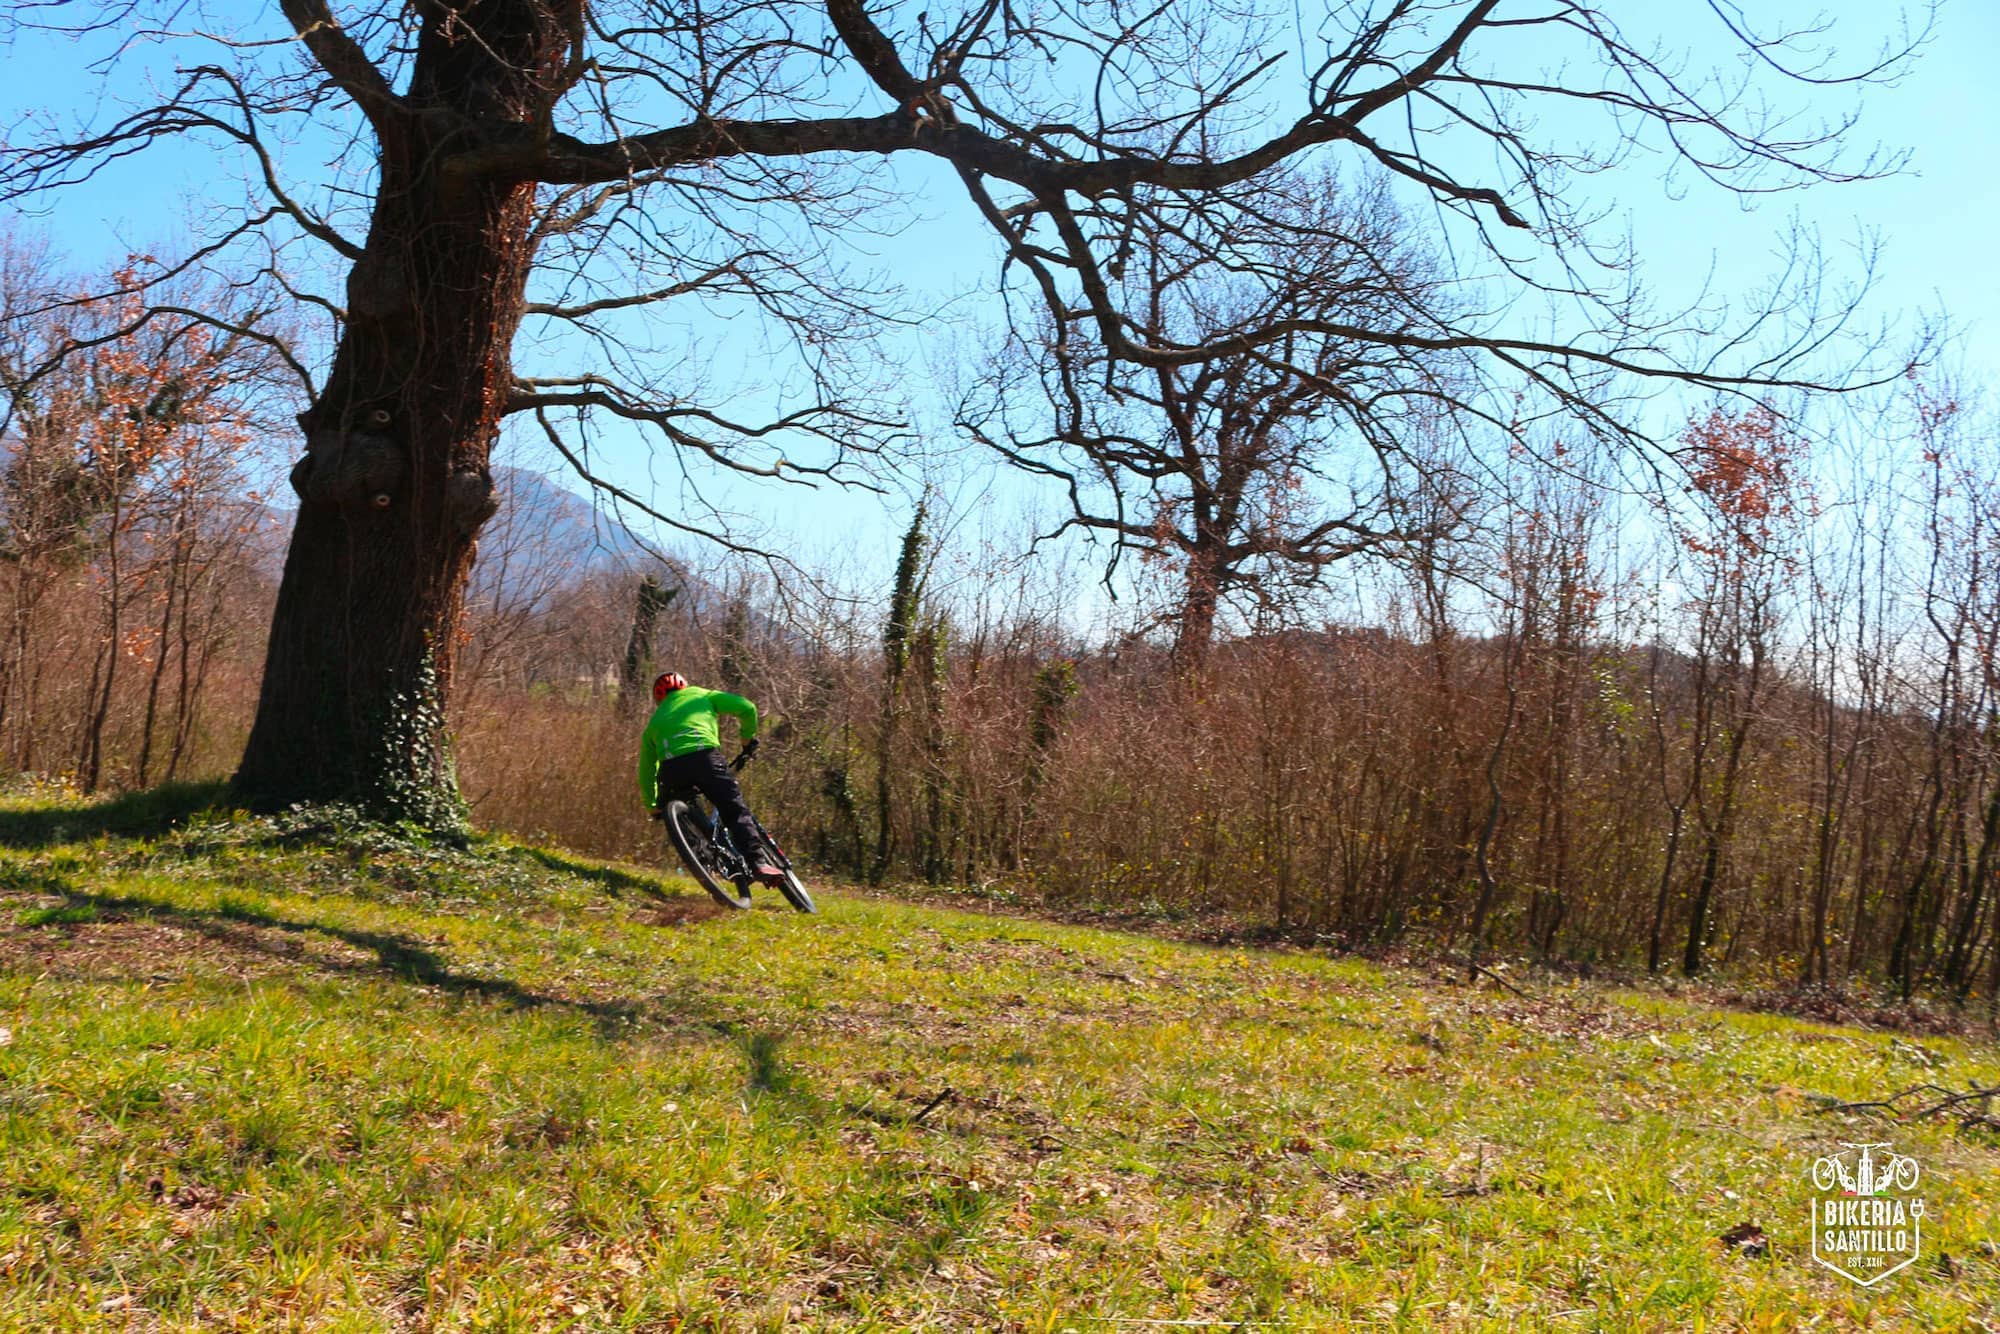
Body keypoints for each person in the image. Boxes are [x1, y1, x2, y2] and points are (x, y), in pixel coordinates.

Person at [638, 672, 781, 881]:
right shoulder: (700, 696)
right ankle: (758, 862)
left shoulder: (655, 721)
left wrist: (652, 804)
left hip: (671, 770)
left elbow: (646, 770)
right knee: (733, 809)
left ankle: (705, 864)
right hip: (704, 759)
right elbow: (747, 707)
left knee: (682, 811)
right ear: (685, 687)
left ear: (659, 699)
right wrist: (746, 739)